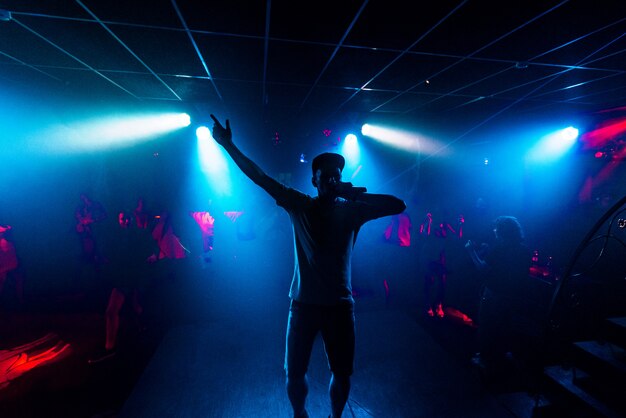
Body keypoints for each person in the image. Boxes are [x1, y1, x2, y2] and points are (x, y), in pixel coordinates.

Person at [209, 115, 406, 418]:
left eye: (336, 174)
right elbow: (260, 177)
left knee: (342, 373)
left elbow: (398, 204)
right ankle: (300, 415)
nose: (331, 179)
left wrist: (355, 194)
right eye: (325, 175)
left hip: (340, 306)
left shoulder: (352, 211)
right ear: (314, 179)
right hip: (302, 305)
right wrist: (228, 145)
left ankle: (335, 417)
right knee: (294, 374)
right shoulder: (299, 204)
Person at [465, 215, 532, 378]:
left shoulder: (499, 249)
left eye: (496, 229)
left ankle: (484, 359)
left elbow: (482, 269)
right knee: (505, 326)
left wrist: (471, 251)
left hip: (494, 293)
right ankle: (503, 357)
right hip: (513, 295)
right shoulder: (524, 250)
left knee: (487, 325)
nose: (494, 232)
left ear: (502, 231)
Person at [88, 211, 158, 364]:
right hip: (127, 278)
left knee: (123, 310)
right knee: (120, 310)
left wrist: (153, 256)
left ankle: (112, 347)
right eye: (122, 218)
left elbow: (151, 252)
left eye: (126, 218)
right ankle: (116, 345)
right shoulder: (119, 237)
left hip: (133, 277)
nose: (125, 221)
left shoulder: (137, 235)